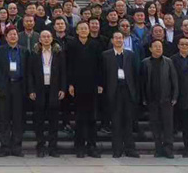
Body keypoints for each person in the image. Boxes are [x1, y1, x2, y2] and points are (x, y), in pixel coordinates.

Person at [101, 31, 140, 158]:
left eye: (120, 38)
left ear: (124, 40)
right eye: (116, 38)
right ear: (112, 40)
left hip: (128, 91)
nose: (118, 40)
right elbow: (103, 74)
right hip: (113, 91)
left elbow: (135, 74)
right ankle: (117, 149)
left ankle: (130, 148)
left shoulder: (130, 55)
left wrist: (136, 92)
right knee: (116, 121)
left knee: (128, 120)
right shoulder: (105, 55)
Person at [0, 26, 29, 157]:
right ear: (6, 37)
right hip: (4, 87)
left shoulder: (24, 51)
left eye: (15, 34)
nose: (13, 36)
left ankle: (17, 147)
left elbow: (27, 72)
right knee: (4, 119)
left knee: (18, 119)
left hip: (19, 87)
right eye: (10, 34)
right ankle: (5, 147)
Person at [28, 30, 67, 158]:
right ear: (39, 39)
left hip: (54, 89)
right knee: (39, 120)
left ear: (52, 38)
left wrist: (62, 89)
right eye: (43, 37)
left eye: (48, 36)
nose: (46, 39)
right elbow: (30, 74)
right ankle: (40, 147)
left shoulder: (58, 53)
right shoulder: (34, 53)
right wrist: (31, 90)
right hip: (39, 89)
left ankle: (53, 147)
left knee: (53, 120)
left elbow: (63, 72)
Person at [67, 21, 102, 158]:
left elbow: (100, 65)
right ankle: (79, 146)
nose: (83, 30)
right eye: (80, 28)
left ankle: (92, 146)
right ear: (76, 31)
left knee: (92, 117)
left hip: (92, 85)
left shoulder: (95, 44)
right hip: (77, 86)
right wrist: (70, 84)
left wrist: (100, 84)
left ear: (89, 30)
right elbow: (69, 65)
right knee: (79, 117)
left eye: (85, 28)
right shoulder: (71, 45)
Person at [141, 39, 178, 158]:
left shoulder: (168, 62)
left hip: (166, 99)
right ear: (150, 49)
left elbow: (174, 80)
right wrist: (144, 97)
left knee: (168, 125)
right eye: (155, 46)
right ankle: (158, 149)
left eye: (160, 46)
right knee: (155, 126)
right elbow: (142, 82)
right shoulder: (145, 63)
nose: (158, 48)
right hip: (152, 100)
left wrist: (175, 96)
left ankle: (168, 149)